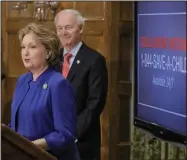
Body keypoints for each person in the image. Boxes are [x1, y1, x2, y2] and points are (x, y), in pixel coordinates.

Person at [9, 23, 79, 160]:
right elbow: (17, 123)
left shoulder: (58, 84)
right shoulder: (22, 81)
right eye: (23, 47)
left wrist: (30, 146)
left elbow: (65, 134)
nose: (26, 52)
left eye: (32, 47)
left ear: (48, 52)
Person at [54, 9, 108, 160]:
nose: (63, 32)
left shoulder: (94, 60)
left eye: (68, 27)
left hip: (81, 142)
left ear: (81, 29)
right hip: (52, 140)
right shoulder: (53, 59)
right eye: (60, 28)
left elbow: (95, 104)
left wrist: (70, 133)